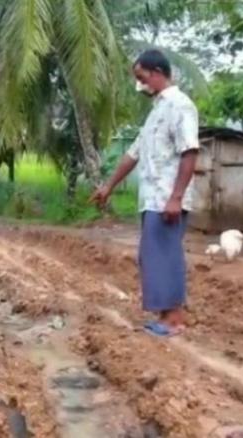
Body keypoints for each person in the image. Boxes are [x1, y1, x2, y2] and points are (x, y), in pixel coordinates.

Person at [90, 49, 199, 337]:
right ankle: (165, 316)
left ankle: (174, 320)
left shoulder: (180, 106)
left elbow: (190, 152)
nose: (139, 85)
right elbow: (133, 154)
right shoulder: (155, 113)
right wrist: (108, 186)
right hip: (152, 199)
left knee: (165, 255)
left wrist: (176, 198)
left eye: (142, 77)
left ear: (157, 72)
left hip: (167, 198)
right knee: (152, 256)